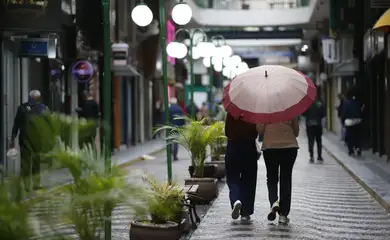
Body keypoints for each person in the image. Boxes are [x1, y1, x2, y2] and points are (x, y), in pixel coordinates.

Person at [257, 118, 299, 225]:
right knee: (286, 178)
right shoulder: (290, 107)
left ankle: (274, 201)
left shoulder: (266, 109)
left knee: (271, 178)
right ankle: (283, 215)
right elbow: (296, 131)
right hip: (289, 147)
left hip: (270, 147)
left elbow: (260, 129)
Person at [10, 90, 49, 190]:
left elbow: (16, 123)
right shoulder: (43, 108)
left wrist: (13, 137)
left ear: (29, 97)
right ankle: (36, 184)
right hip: (37, 139)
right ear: (39, 98)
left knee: (26, 162)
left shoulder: (22, 108)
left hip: (24, 139)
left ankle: (27, 185)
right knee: (36, 162)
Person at [225, 113, 259, 222]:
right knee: (249, 180)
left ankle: (235, 200)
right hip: (249, 148)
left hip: (233, 147)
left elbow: (227, 132)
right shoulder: (252, 111)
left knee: (232, 177)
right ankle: (246, 212)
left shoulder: (232, 112)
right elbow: (255, 132)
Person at [302, 97, 325, 162]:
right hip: (318, 125)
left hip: (310, 125)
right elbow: (323, 115)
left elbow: (303, 114)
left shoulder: (307, 104)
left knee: (310, 141)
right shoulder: (320, 104)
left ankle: (311, 157)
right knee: (319, 141)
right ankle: (319, 156)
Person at [341, 89, 363, 156]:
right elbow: (360, 111)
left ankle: (351, 151)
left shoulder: (346, 103)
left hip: (349, 122)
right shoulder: (358, 102)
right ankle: (358, 147)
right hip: (358, 121)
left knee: (350, 136)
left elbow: (344, 113)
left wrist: (343, 121)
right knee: (357, 136)